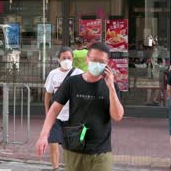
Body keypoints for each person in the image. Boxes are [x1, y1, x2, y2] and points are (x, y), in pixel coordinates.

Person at [36, 42, 124, 171]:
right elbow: (54, 109)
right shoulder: (72, 82)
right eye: (94, 60)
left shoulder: (111, 87)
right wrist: (44, 135)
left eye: (102, 61)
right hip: (74, 148)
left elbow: (117, 116)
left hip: (101, 151)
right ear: (87, 59)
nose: (97, 64)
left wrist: (110, 86)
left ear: (107, 64)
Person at [44, 47, 84, 170]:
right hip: (56, 116)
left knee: (72, 147)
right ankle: (55, 168)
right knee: (53, 143)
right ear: (58, 59)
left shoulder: (79, 74)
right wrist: (48, 114)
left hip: (73, 117)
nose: (66, 60)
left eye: (69, 58)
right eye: (63, 58)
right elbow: (48, 95)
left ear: (73, 59)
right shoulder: (53, 74)